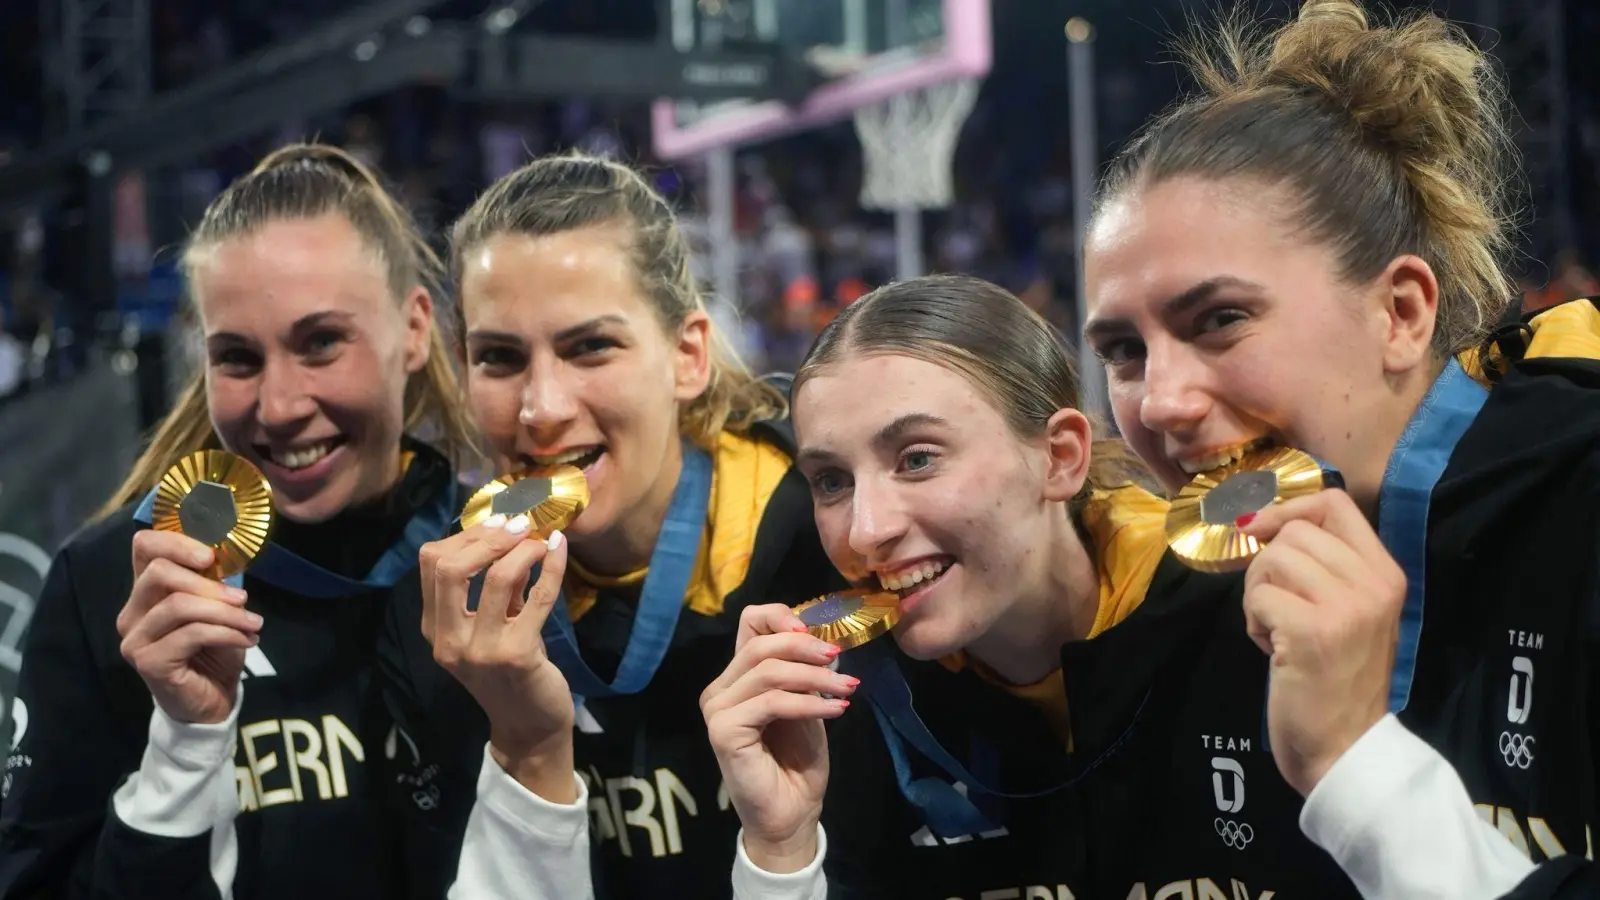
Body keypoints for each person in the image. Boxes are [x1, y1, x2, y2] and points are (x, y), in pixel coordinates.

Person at [1075, 0, 1600, 896]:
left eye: (1220, 320)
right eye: (1123, 351)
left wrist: (1357, 766)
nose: (1159, 403)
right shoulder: (1185, 606)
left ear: (1401, 313)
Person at [0, 143, 478, 899]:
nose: (280, 405)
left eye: (322, 343)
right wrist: (179, 758)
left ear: (415, 329)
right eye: (238, 358)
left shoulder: (490, 571)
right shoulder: (115, 586)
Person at [375, 151, 845, 899]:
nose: (541, 408)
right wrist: (527, 752)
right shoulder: (436, 609)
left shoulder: (831, 540)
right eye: (498, 357)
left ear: (687, 356)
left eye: (589, 346)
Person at [699, 274, 1243, 899]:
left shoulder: (1248, 617)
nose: (868, 530)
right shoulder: (830, 708)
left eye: (918, 459)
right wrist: (780, 850)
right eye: (831, 481)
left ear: (1059, 457)